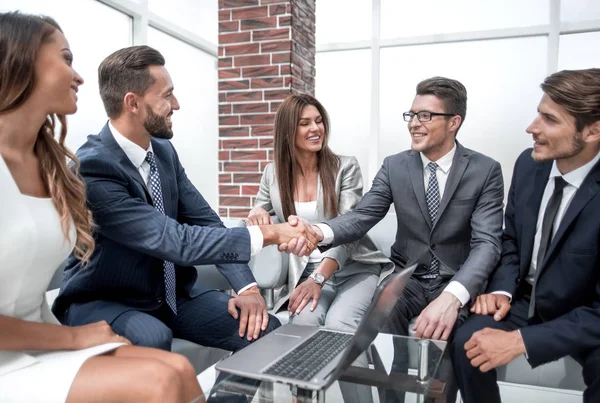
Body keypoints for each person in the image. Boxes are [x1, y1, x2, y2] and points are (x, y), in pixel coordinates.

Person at [51, 45, 318, 354]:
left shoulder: (163, 153)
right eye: (167, 95)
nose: (175, 104)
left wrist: (247, 288)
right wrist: (273, 232)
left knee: (264, 328)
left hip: (169, 294)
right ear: (133, 103)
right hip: (105, 300)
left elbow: (205, 221)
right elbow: (175, 240)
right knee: (153, 337)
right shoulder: (93, 169)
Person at [0, 12, 203, 403]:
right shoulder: (97, 164)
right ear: (20, 60)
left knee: (177, 368)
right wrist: (73, 336)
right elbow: (166, 236)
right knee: (159, 383)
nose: (78, 78)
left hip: (38, 339)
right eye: (66, 59)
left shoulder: (52, 165)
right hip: (16, 353)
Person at [295, 77, 505, 401]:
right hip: (408, 276)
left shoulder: (484, 170)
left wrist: (454, 296)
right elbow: (362, 216)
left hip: (455, 278)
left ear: (454, 122)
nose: (414, 124)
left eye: (425, 116)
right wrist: (318, 231)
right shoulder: (395, 166)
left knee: (443, 369)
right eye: (411, 115)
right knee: (385, 325)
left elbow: (487, 243)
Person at [451, 68, 600, 403]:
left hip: (585, 311)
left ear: (593, 130)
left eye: (549, 119)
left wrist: (520, 342)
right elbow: (512, 241)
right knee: (467, 342)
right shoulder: (528, 165)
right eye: (538, 114)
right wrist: (502, 289)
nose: (532, 128)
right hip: (524, 298)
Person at [246, 94, 394, 402]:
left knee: (341, 327)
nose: (316, 129)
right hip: (307, 274)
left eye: (319, 121)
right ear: (288, 130)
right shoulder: (273, 173)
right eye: (305, 123)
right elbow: (259, 214)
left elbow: (352, 227)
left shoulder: (345, 167)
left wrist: (319, 278)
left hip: (352, 268)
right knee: (303, 324)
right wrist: (255, 215)